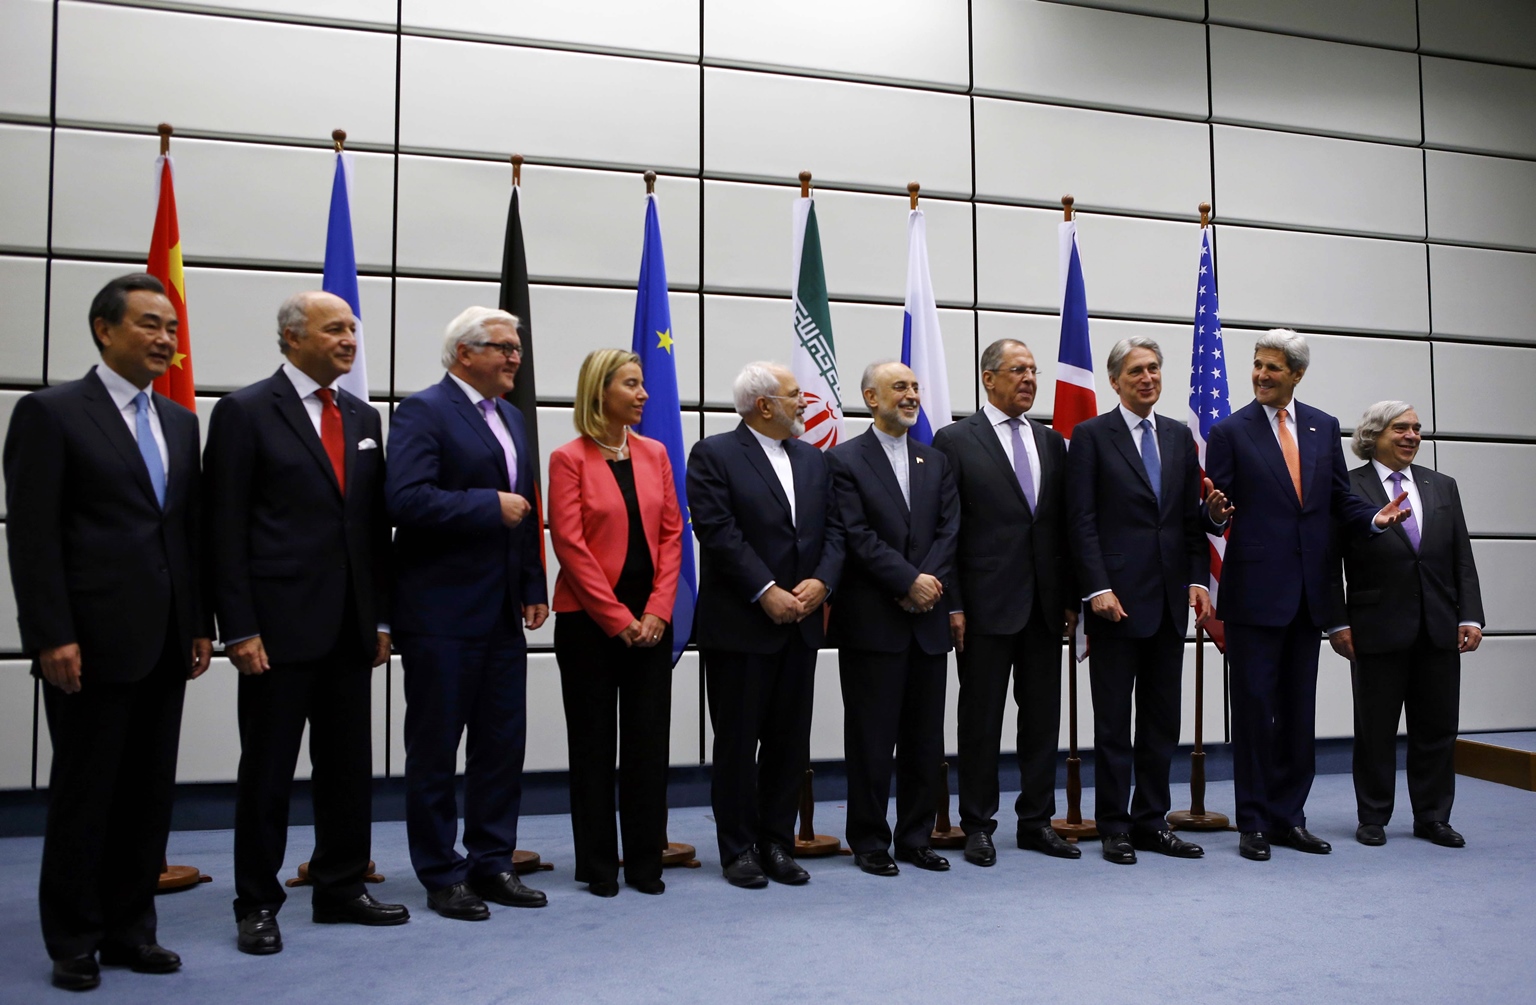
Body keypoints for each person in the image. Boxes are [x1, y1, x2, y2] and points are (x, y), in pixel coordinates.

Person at [4, 273, 212, 991]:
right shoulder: (52, 412)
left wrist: (198, 622)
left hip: (164, 639)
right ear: (104, 328)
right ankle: (74, 936)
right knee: (85, 793)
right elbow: (33, 537)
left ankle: (132, 928)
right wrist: (49, 633)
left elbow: (184, 532)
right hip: (86, 642)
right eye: (151, 325)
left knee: (148, 794)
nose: (165, 340)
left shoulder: (180, 421)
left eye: (173, 330)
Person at [204, 291, 407, 956]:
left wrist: (380, 617)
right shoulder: (243, 411)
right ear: (293, 339)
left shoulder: (362, 414)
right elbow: (224, 527)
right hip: (276, 630)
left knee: (348, 767)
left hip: (352, 628)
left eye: (353, 327)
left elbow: (374, 530)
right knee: (266, 773)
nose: (351, 339)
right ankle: (257, 902)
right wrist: (238, 627)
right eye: (335, 329)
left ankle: (341, 886)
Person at [1204, 329, 1409, 861]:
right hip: (1254, 594)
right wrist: (1216, 513)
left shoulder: (1322, 427)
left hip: (1310, 594)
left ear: (1296, 374)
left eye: (1273, 367)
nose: (1261, 375)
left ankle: (1288, 818)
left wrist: (1374, 517)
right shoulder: (1230, 430)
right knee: (1253, 711)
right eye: (1257, 365)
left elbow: (1340, 498)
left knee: (1298, 712)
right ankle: (1252, 821)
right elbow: (1214, 505)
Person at [387, 306, 549, 919]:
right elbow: (404, 499)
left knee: (500, 745)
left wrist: (532, 582)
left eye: (516, 348)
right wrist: (486, 505)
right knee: (435, 748)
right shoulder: (425, 410)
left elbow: (525, 510)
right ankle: (441, 872)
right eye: (502, 348)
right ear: (465, 354)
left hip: (503, 611)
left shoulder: (509, 415)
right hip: (441, 612)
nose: (514, 357)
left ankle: (492, 862)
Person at [1065, 337, 1231, 865]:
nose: (1148, 378)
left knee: (1161, 721)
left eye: (1155, 369)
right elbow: (1081, 520)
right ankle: (1114, 825)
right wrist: (1096, 588)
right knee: (1113, 723)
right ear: (1115, 381)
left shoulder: (1180, 437)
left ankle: (1150, 821)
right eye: (1136, 370)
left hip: (1167, 602)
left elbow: (1186, 521)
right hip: (1114, 601)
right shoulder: (1091, 436)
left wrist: (1200, 575)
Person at [687, 362, 843, 889]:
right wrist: (766, 591)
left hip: (801, 625)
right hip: (741, 626)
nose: (804, 403)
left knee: (788, 742)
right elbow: (718, 531)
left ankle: (777, 842)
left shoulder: (813, 459)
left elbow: (834, 531)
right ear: (764, 405)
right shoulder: (714, 454)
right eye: (795, 395)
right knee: (737, 742)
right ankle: (738, 849)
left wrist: (822, 582)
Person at [932, 339, 1078, 866]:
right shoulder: (954, 440)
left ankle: (1037, 821)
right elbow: (946, 529)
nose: (1029, 379)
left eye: (1034, 371)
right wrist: (953, 603)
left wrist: (1067, 599)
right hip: (983, 608)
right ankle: (978, 825)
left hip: (1043, 607)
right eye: (1018, 370)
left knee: (1041, 720)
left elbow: (1059, 527)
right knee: (981, 721)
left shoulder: (1050, 441)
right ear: (988, 378)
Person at [548, 349, 683, 897]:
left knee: (648, 746)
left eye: (644, 384)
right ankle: (599, 865)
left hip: (652, 620)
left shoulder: (655, 454)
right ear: (600, 391)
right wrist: (618, 619)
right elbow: (570, 545)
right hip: (590, 624)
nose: (644, 394)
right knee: (594, 746)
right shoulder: (568, 458)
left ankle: (646, 862)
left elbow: (673, 536)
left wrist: (656, 610)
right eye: (631, 384)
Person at [1328, 401, 1483, 848]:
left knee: (1437, 727)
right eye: (1401, 428)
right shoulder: (1348, 487)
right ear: (1373, 435)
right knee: (1375, 729)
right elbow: (1328, 562)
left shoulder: (1442, 486)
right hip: (1374, 626)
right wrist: (1337, 623)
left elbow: (1461, 558)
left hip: (1439, 623)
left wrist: (1470, 614)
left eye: (1416, 429)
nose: (1412, 436)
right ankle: (1373, 816)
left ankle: (1433, 816)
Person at [826, 361, 959, 877]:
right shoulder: (843, 460)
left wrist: (926, 584)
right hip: (873, 621)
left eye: (915, 387)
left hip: (927, 621)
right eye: (899, 387)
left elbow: (950, 530)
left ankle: (915, 837)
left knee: (925, 739)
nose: (911, 395)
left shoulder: (936, 459)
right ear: (870, 397)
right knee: (871, 739)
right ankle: (868, 839)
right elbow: (854, 536)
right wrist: (908, 582)